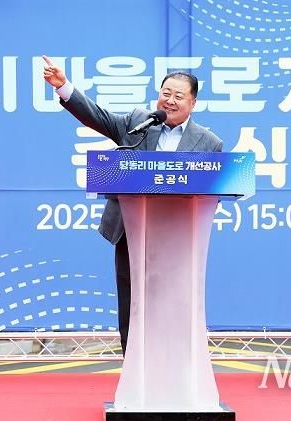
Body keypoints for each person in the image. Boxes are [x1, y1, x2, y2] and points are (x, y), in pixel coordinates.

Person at [42, 55, 223, 354]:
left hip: (177, 234)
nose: (170, 101)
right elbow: (98, 117)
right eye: (166, 93)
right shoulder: (140, 122)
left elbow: (213, 192)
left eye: (179, 96)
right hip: (131, 229)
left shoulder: (209, 142)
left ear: (193, 103)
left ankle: (172, 362)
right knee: (131, 301)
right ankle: (133, 364)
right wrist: (63, 86)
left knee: (173, 301)